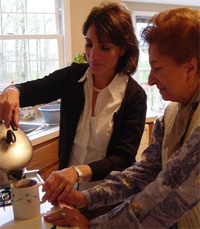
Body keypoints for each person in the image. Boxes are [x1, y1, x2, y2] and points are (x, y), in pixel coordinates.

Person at [43, 6, 200, 229]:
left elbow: (168, 191)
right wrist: (86, 198)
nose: (151, 79)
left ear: (190, 68)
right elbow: (144, 173)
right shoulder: (171, 115)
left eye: (157, 68)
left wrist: (95, 226)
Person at [0, 2, 146, 201]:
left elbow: (122, 159)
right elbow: (34, 89)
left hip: (106, 198)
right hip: (65, 193)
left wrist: (77, 172)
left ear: (122, 49)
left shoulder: (133, 96)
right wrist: (12, 90)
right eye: (89, 44)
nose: (93, 55)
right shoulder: (72, 78)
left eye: (105, 47)